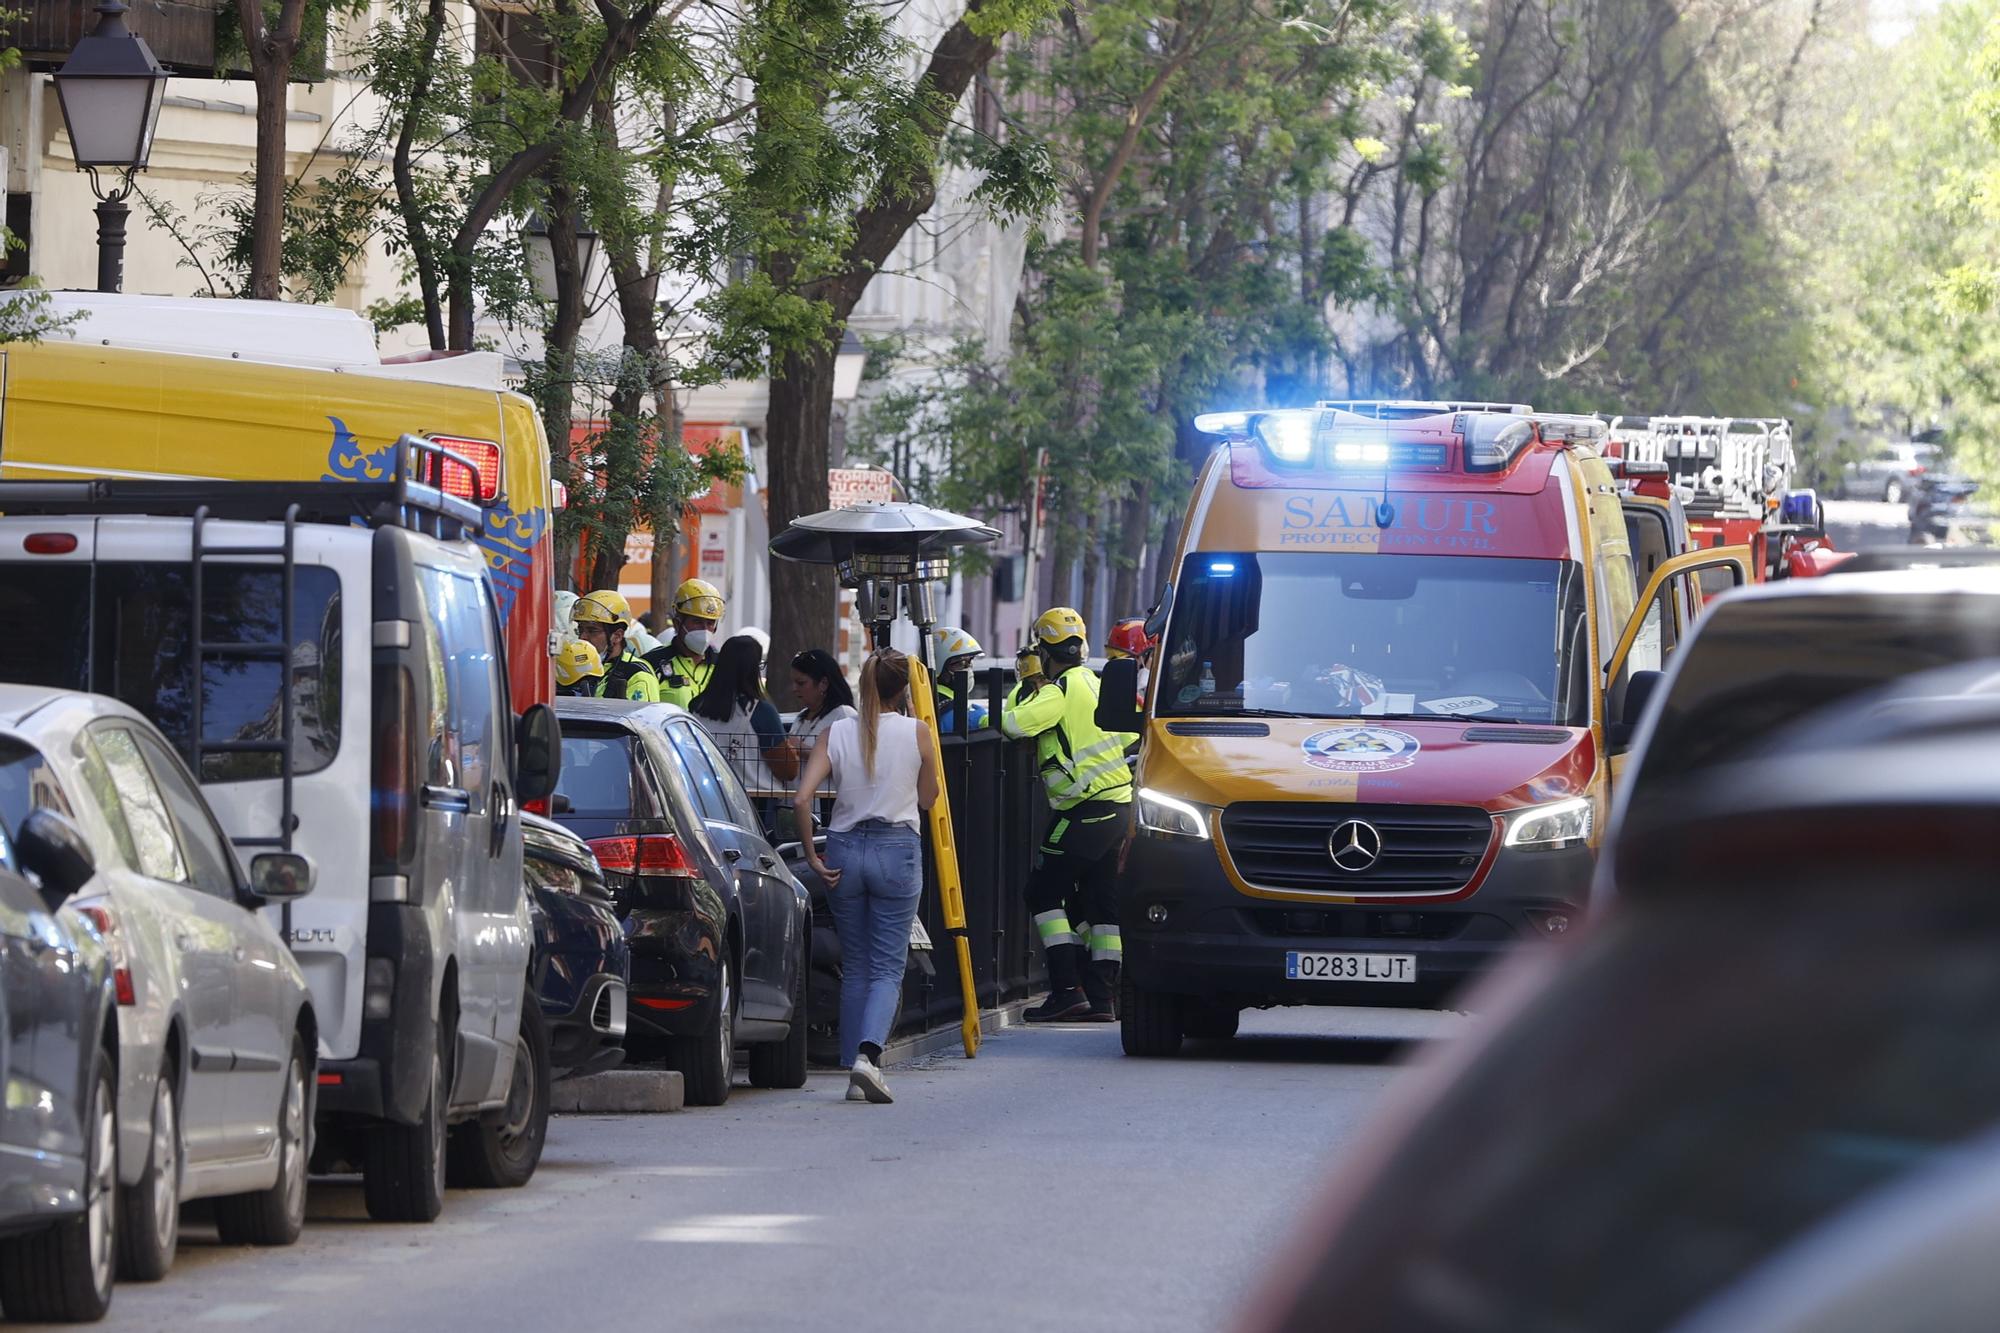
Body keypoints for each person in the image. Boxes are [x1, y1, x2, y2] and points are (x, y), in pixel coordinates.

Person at [796, 649, 941, 1104]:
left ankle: (851, 1069)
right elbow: (928, 799)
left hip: (843, 848)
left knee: (856, 965)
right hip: (896, 848)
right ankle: (867, 1056)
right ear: (903, 690)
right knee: (886, 965)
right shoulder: (918, 732)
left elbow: (802, 801)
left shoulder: (835, 732)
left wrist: (812, 858)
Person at [1002, 607, 1137, 1023]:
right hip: (1118, 806)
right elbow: (1131, 733)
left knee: (1040, 893)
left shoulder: (1056, 691)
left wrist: (1025, 682)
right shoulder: (1095, 682)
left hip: (1082, 810)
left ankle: (1065, 990)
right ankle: (1102, 996)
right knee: (1099, 904)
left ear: (1045, 651)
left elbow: (1012, 725)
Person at [690, 635, 799, 797]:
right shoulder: (760, 711)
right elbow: (787, 770)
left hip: (710, 798)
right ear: (753, 669)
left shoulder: (696, 707)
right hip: (757, 801)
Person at [644, 578, 725, 707]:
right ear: (677, 623)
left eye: (710, 623)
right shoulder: (651, 664)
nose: (705, 630)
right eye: (697, 622)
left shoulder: (723, 666)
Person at [572, 591, 661, 702]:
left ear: (617, 636)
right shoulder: (576, 667)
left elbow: (639, 718)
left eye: (592, 630)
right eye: (581, 630)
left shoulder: (637, 675)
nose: (582, 637)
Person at [789, 648, 859, 748]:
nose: (794, 689)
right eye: (793, 683)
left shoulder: (844, 715)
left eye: (801, 683)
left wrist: (803, 750)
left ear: (823, 683)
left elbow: (851, 758)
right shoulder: (800, 717)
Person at [930, 625, 989, 731]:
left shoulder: (933, 699)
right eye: (961, 663)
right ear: (940, 667)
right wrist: (981, 720)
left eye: (970, 661)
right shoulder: (949, 712)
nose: (968, 668)